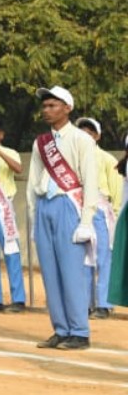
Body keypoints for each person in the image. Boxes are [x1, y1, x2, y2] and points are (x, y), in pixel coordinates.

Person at [29, 86, 101, 350]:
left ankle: (79, 331)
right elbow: (34, 180)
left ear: (67, 108)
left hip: (69, 205)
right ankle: (60, 329)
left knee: (72, 271)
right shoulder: (40, 142)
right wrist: (33, 211)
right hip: (45, 205)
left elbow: (90, 181)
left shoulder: (82, 140)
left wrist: (86, 221)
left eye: (53, 105)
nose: (47, 110)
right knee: (50, 272)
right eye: (45, 106)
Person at [75, 117, 120, 319]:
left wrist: (116, 216)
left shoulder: (107, 159)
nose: (86, 135)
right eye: (82, 131)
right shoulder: (72, 159)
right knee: (84, 260)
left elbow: (117, 191)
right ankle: (85, 303)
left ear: (97, 136)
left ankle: (104, 303)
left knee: (103, 258)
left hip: (101, 210)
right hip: (78, 209)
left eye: (90, 132)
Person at [0, 119, 27, 314]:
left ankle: (18, 298)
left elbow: (18, 168)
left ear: (1, 135)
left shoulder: (9, 152)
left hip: (4, 207)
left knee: (11, 252)